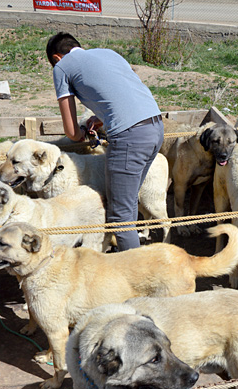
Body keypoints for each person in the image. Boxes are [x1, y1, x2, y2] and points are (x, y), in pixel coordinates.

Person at [46, 32, 164, 251]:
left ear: (56, 57)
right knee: (127, 208)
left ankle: (135, 276)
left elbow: (71, 131)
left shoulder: (61, 67)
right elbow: (125, 90)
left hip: (130, 137)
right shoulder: (108, 53)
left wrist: (81, 134)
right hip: (155, 129)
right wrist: (100, 117)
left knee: (120, 218)